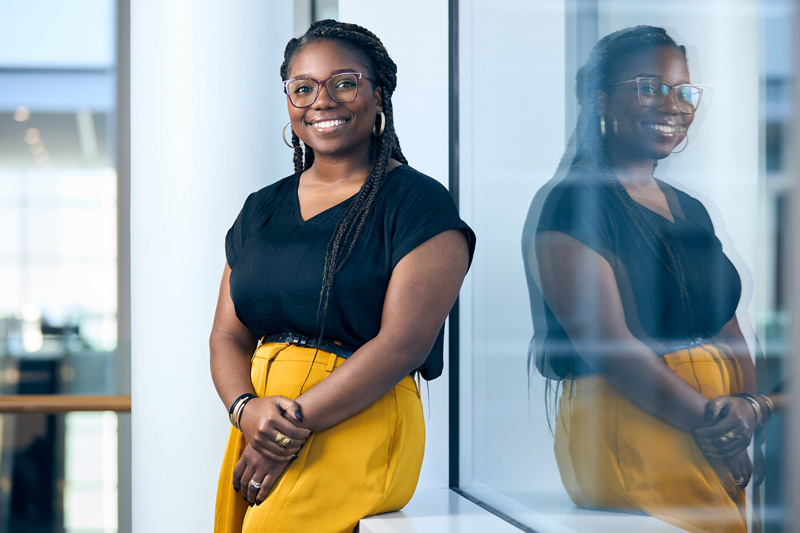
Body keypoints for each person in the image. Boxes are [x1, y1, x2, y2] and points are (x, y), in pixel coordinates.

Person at [210, 20, 475, 533]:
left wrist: (285, 429)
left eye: (344, 83)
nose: (321, 101)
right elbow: (227, 332)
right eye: (303, 88)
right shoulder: (261, 208)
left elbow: (402, 345)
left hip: (357, 416)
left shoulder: (418, 202)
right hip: (261, 420)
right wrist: (245, 410)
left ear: (378, 95)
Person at [521, 26, 772, 533]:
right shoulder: (574, 200)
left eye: (685, 91)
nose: (674, 105)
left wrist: (745, 416)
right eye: (649, 87)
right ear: (600, 99)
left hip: (710, 423)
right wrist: (712, 425)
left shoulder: (691, 209)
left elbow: (727, 327)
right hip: (637, 419)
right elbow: (609, 343)